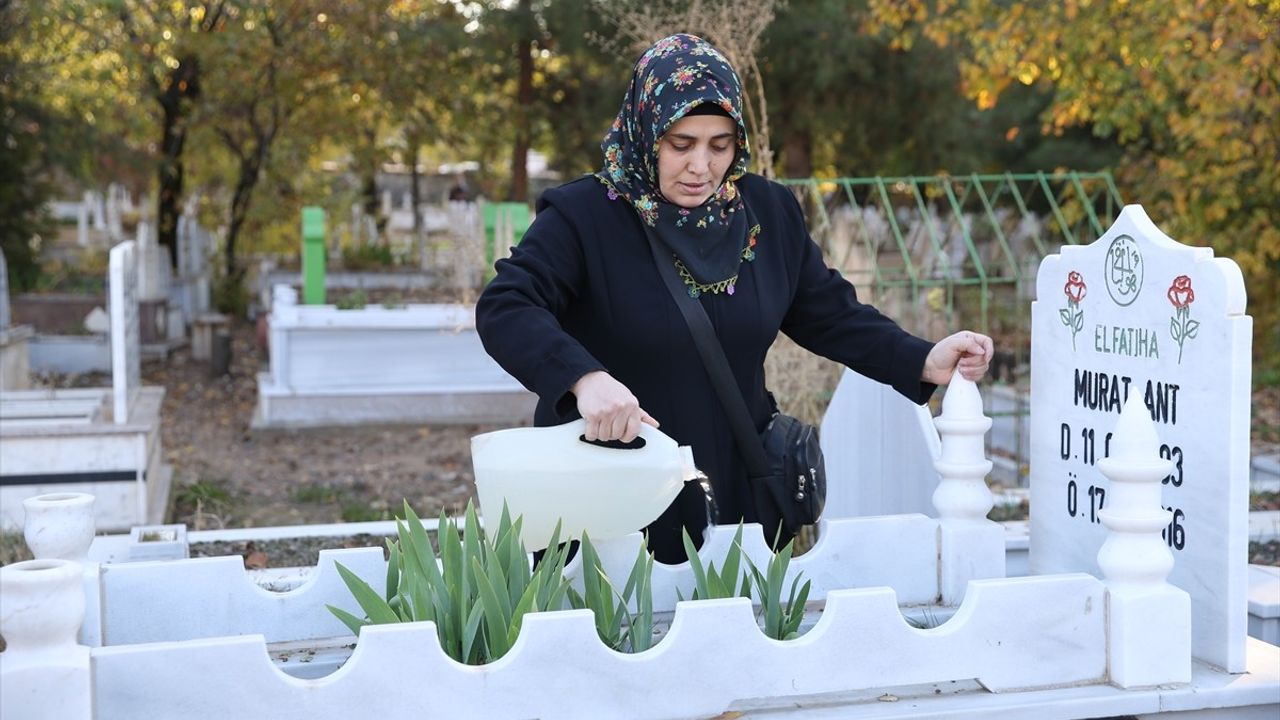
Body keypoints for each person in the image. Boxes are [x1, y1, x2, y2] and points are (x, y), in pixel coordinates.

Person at [476, 34, 992, 563]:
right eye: (681, 144)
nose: (701, 165)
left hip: (735, 493)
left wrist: (923, 358)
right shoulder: (585, 217)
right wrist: (584, 380)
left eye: (719, 145)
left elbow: (829, 314)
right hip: (613, 494)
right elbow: (507, 305)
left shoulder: (764, 211)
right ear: (646, 131)